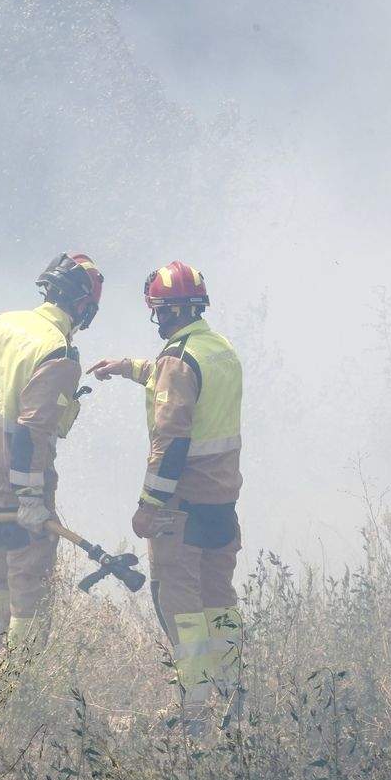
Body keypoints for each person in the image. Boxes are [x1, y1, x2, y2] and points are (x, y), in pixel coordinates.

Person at [88, 261, 243, 727]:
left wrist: (148, 507)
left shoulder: (178, 359)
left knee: (180, 604)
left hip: (181, 507)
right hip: (222, 503)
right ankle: (233, 697)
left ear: (164, 312)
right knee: (220, 600)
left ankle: (195, 711)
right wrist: (128, 368)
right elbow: (176, 379)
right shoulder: (218, 349)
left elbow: (171, 439)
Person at [0, 253, 103, 648]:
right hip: (20, 484)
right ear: (83, 306)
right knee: (29, 585)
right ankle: (18, 682)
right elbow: (31, 432)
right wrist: (31, 497)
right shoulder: (58, 352)